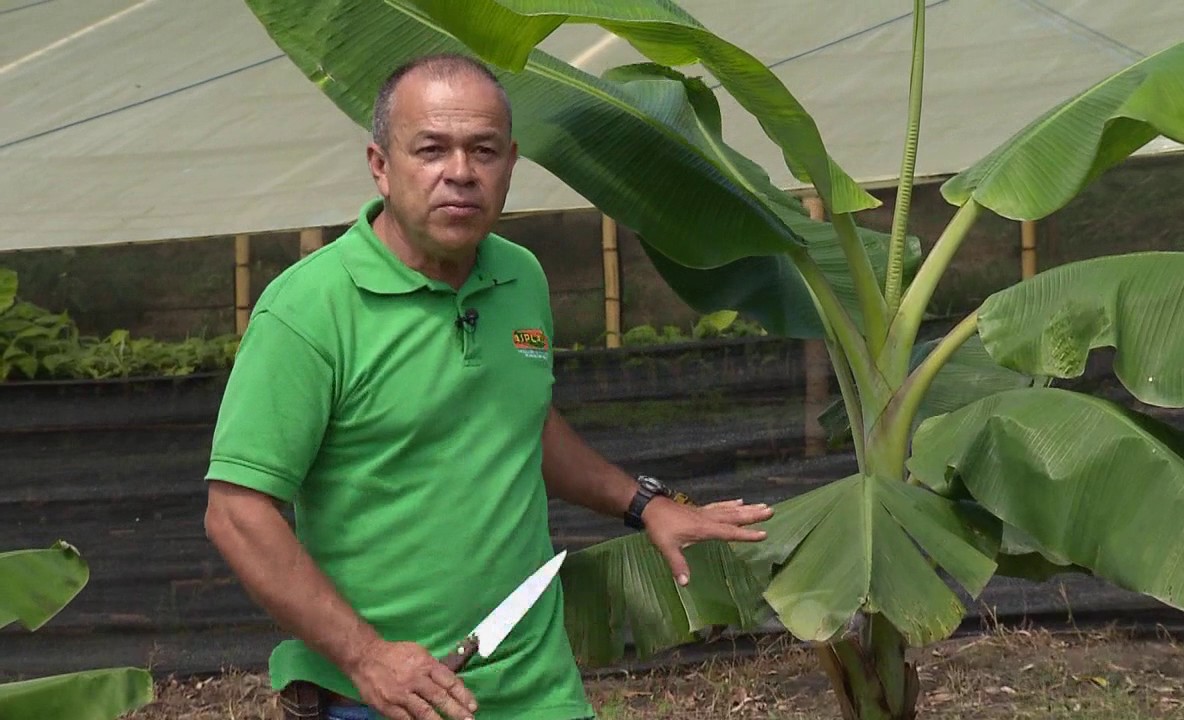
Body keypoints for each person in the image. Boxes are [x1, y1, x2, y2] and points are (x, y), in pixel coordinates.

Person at [203, 53, 773, 720]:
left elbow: (520, 417)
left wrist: (645, 502)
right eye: (431, 149)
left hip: (537, 689)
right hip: (386, 696)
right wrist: (366, 656)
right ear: (380, 165)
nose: (461, 173)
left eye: (484, 150)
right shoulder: (309, 310)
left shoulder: (520, 277)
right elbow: (238, 511)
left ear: (510, 163)